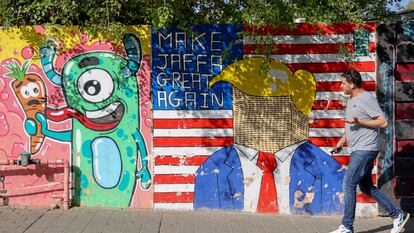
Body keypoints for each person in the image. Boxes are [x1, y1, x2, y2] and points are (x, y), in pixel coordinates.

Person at [329, 69, 410, 233]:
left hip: (366, 148)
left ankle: (347, 226)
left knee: (349, 182)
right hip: (357, 148)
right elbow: (352, 124)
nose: (340, 86)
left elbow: (382, 122)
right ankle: (397, 215)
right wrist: (341, 142)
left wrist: (361, 121)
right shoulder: (352, 99)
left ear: (352, 84)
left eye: (343, 83)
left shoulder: (366, 98)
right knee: (366, 186)